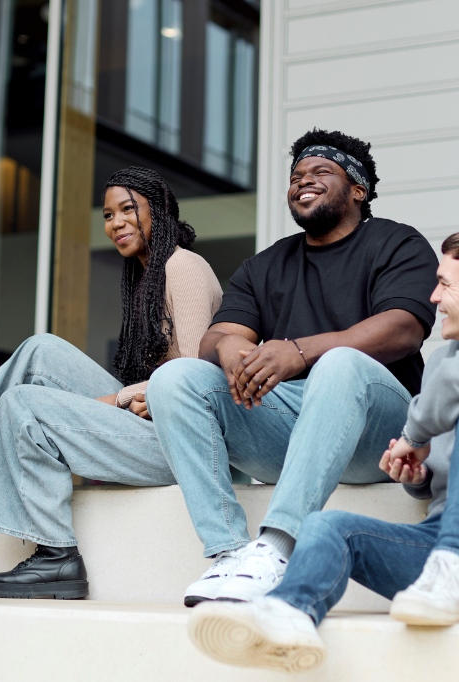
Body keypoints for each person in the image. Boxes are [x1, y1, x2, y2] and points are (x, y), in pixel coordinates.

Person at [186, 228, 459, 673]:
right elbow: (445, 472)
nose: (434, 297)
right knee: (327, 526)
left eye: (446, 284)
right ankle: (291, 614)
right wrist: (418, 475)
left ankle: (455, 564)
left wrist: (414, 438)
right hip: (444, 567)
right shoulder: (440, 363)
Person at [146, 129, 439, 607]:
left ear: (358, 190)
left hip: (381, 435)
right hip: (292, 428)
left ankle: (279, 547)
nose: (303, 180)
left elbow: (405, 327)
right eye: (296, 175)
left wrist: (299, 351)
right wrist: (232, 353)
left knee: (342, 364)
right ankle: (230, 553)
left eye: (320, 171)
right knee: (175, 379)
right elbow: (218, 337)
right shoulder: (266, 265)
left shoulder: (396, 243)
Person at [0, 166, 223, 599]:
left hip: (185, 442)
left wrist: (121, 397)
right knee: (41, 348)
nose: (115, 222)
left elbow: (194, 378)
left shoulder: (185, 268)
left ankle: (56, 555)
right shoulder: (147, 277)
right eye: (107, 214)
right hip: (154, 422)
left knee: (24, 403)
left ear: (157, 211)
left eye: (127, 209)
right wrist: (131, 397)